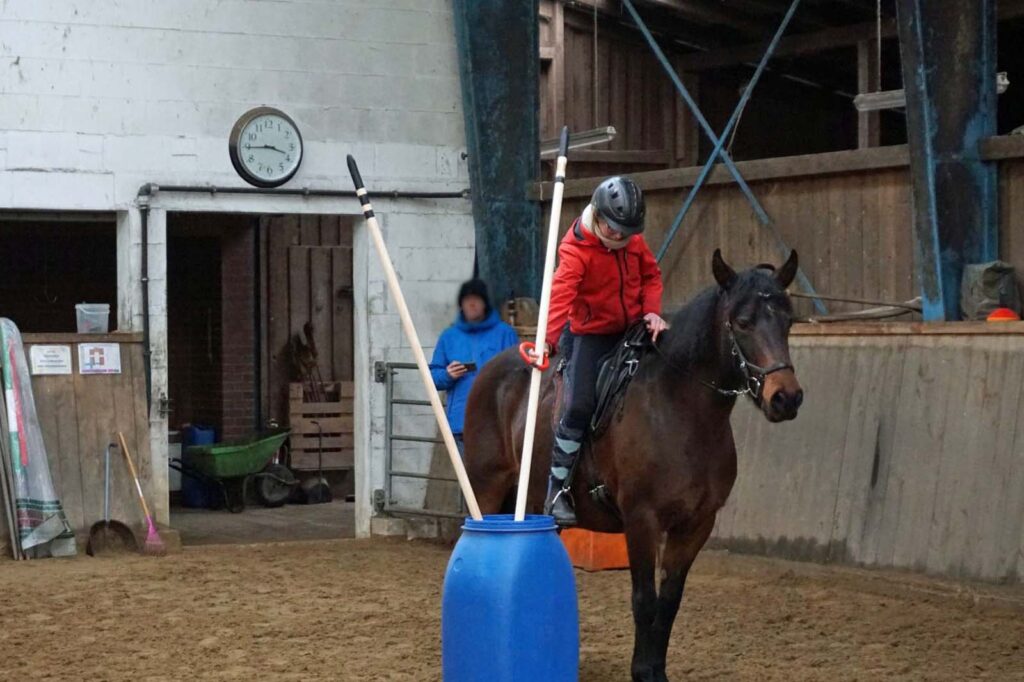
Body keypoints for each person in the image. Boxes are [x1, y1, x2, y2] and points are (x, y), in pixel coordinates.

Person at [540, 176, 668, 526]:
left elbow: (651, 276)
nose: (619, 237)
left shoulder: (634, 242)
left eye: (626, 231)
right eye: (613, 229)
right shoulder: (575, 252)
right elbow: (560, 296)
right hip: (590, 335)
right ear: (597, 216)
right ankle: (557, 488)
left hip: (633, 328)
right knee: (579, 404)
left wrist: (652, 310)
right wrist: (547, 340)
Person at [430, 278, 520, 456]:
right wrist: (448, 375)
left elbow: (519, 375)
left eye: (476, 300)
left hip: (497, 423)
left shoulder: (505, 334)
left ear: (485, 303)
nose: (472, 304)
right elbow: (432, 377)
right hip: (461, 424)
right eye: (467, 300)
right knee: (467, 481)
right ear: (461, 304)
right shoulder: (449, 337)